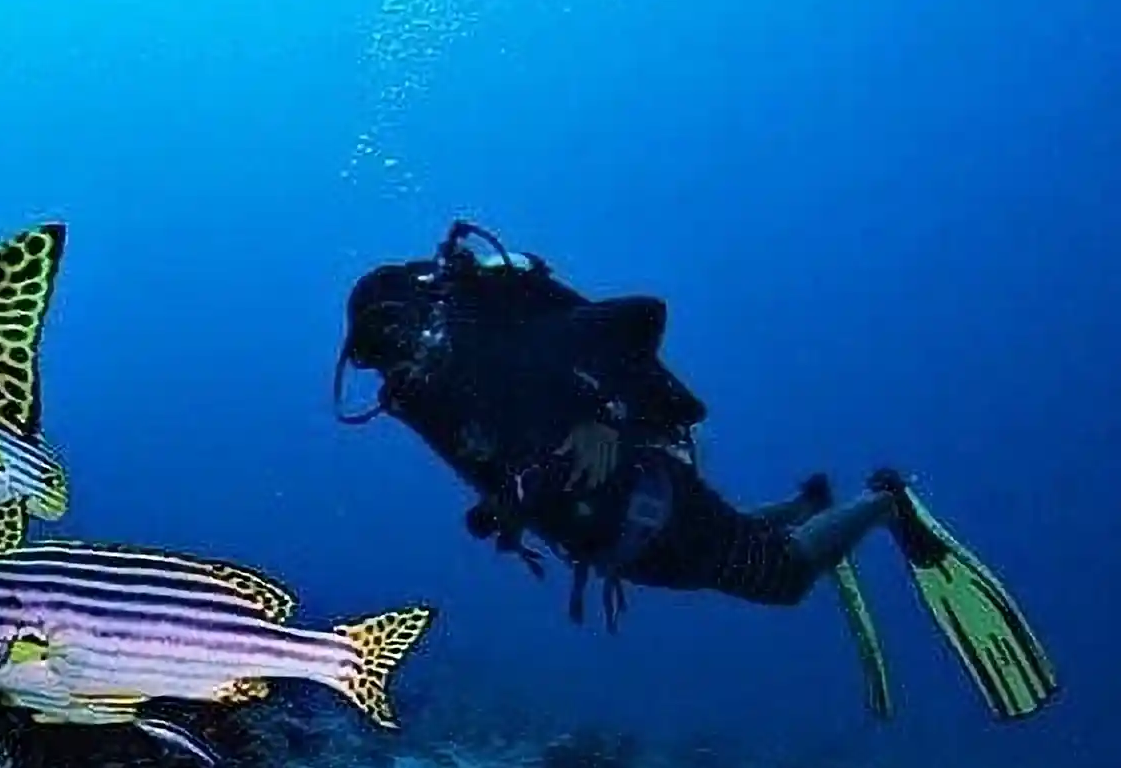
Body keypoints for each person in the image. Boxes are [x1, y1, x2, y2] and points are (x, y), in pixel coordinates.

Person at [334, 220, 1058, 723]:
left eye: (391, 340)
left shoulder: (500, 331)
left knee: (778, 579)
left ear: (420, 308)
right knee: (730, 550)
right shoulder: (432, 393)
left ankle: (884, 499)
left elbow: (641, 314)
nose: (393, 364)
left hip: (649, 500)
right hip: (618, 538)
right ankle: (807, 503)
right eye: (372, 358)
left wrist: (604, 411)